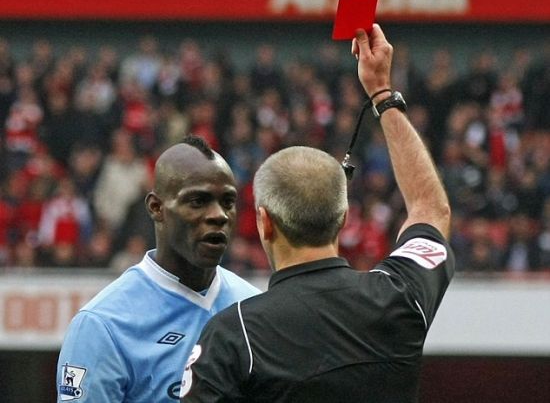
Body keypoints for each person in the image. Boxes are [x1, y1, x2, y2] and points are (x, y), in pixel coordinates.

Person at [180, 24, 454, 403]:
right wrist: (382, 94)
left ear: (265, 223)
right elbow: (431, 210)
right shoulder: (398, 296)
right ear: (343, 218)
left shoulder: (234, 333)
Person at [56, 135, 261, 402]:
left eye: (228, 202)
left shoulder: (255, 308)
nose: (219, 215)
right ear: (156, 208)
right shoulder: (102, 325)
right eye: (198, 201)